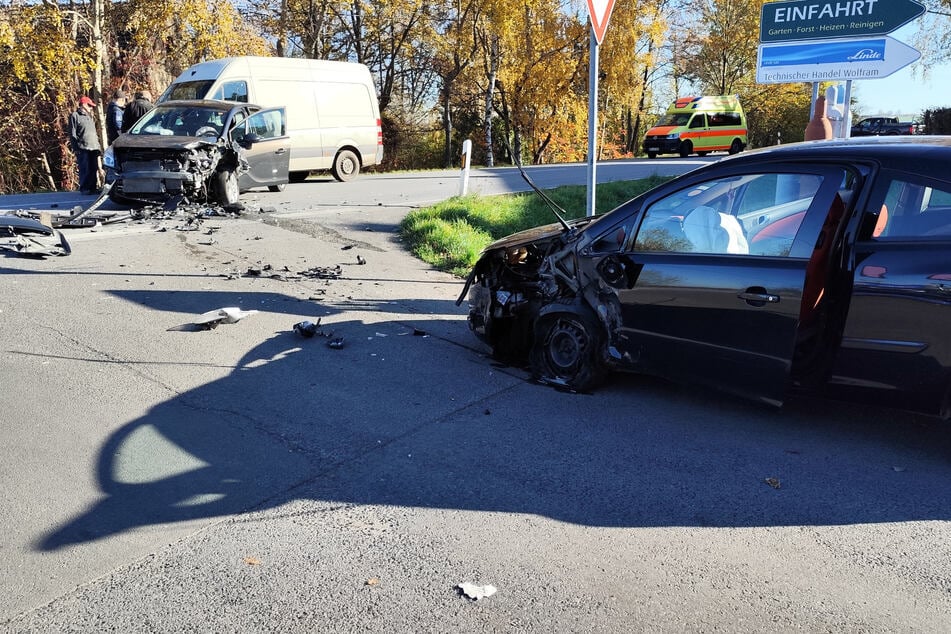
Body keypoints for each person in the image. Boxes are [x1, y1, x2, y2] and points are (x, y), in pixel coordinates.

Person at [68, 95, 102, 194]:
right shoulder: (75, 115)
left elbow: (93, 133)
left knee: (93, 168)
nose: (91, 108)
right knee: (85, 168)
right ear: (83, 105)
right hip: (83, 147)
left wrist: (98, 147)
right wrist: (75, 147)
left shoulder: (89, 116)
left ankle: (93, 187)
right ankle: (85, 188)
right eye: (89, 105)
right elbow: (72, 133)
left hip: (93, 147)